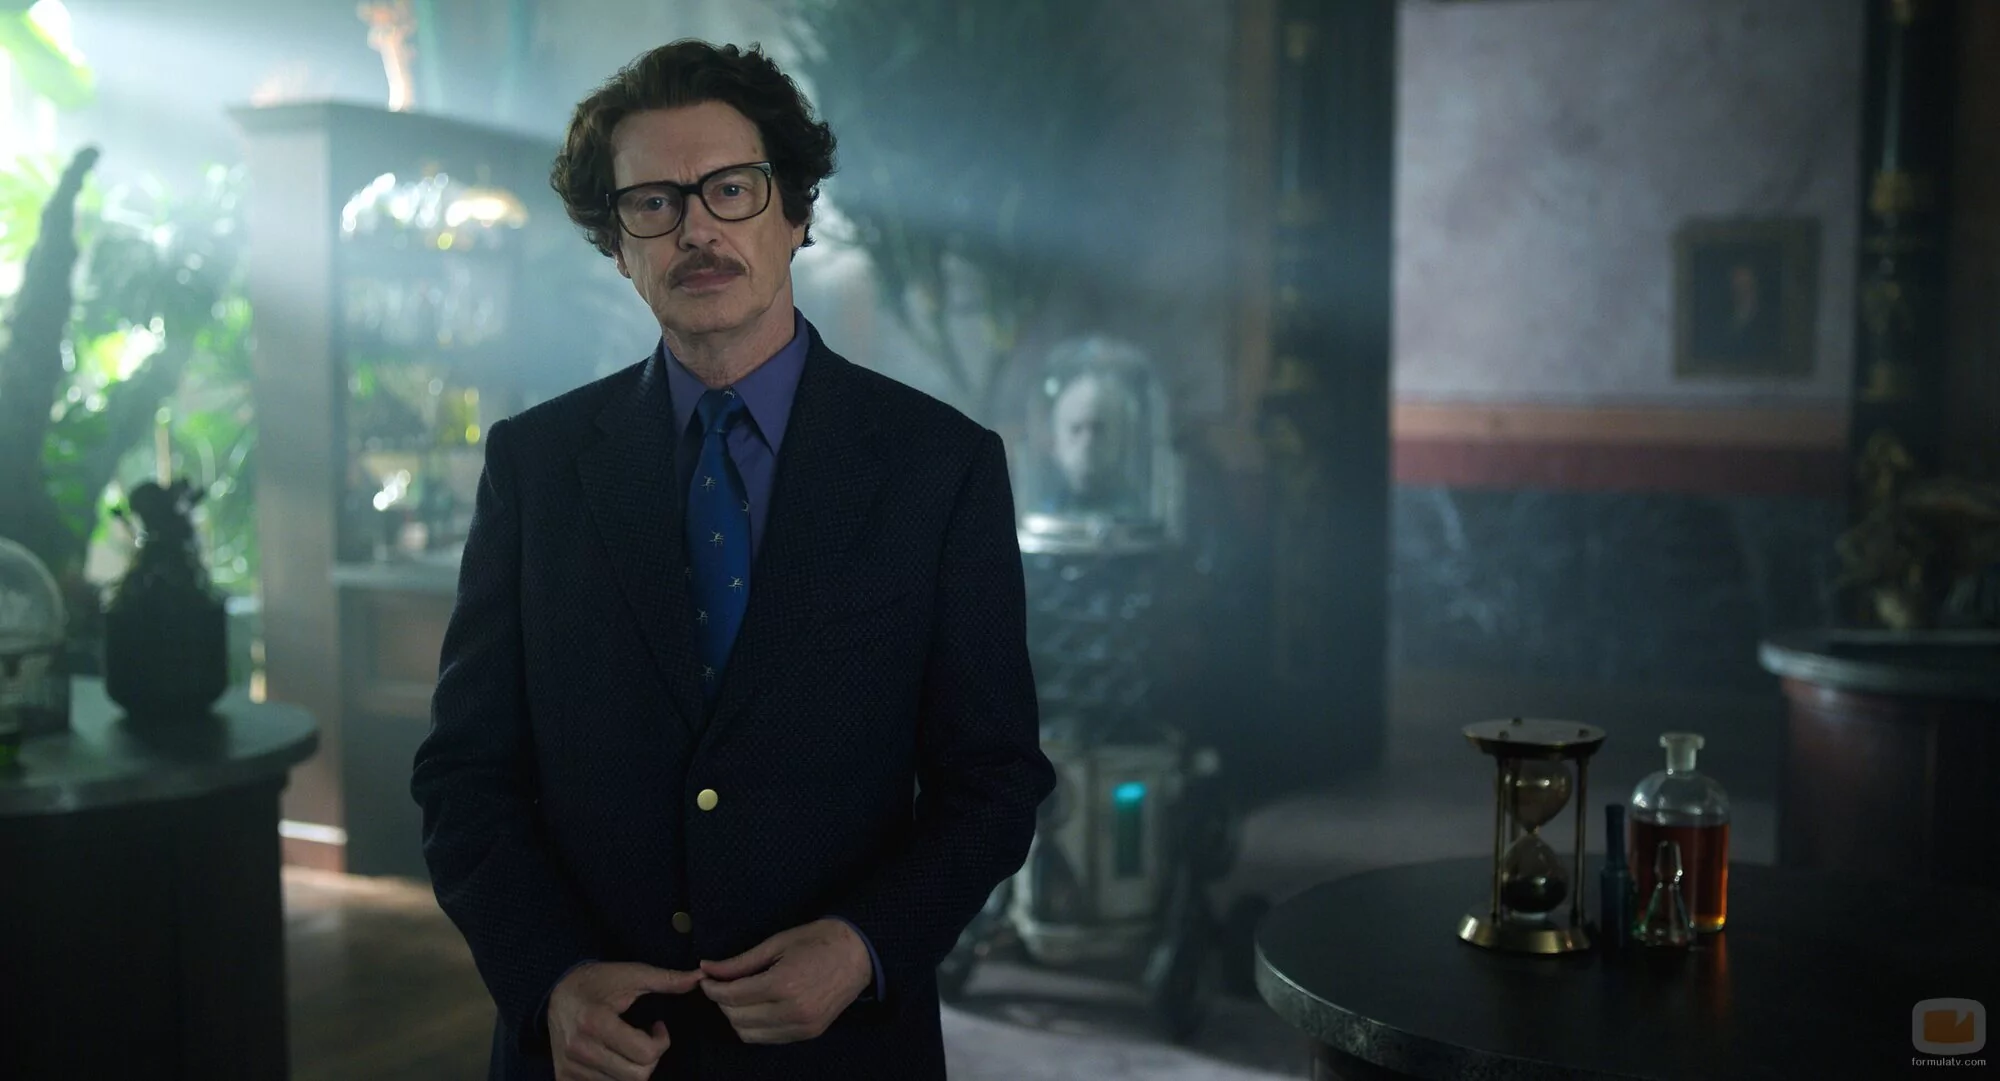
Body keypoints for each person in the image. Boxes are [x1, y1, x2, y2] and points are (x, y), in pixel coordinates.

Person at [411, 40, 1055, 1081]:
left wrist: (864, 945)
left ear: (794, 211)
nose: (696, 229)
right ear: (617, 245)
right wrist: (548, 977)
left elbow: (994, 780)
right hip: (594, 1052)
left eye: (731, 189)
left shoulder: (940, 467)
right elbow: (463, 774)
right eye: (652, 203)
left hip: (841, 1050)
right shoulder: (533, 467)